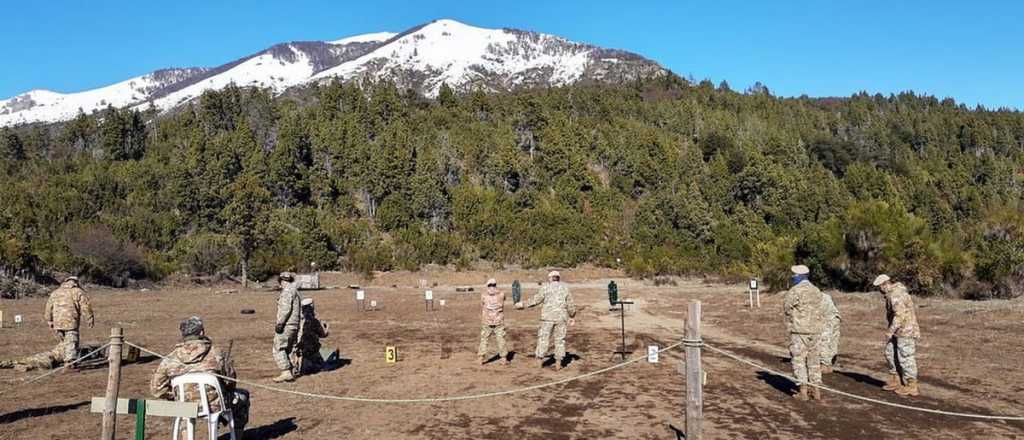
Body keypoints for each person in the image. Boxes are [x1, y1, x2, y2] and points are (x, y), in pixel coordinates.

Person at [150, 316, 249, 439]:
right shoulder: (217, 354)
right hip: (215, 405)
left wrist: (175, 395)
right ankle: (237, 437)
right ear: (201, 332)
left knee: (183, 409)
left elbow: (156, 389)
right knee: (243, 396)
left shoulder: (170, 359)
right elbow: (231, 381)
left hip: (184, 406)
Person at [516, 270, 576, 371]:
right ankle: (558, 363)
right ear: (558, 278)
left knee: (543, 339)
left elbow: (536, 300)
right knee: (560, 341)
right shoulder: (565, 289)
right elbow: (571, 305)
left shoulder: (545, 288)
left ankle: (539, 361)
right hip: (561, 319)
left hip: (547, 319)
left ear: (550, 278)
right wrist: (572, 316)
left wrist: (523, 305)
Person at [873, 274, 922, 397]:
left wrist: (890, 331)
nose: (879, 290)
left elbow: (899, 316)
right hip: (898, 331)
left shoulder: (896, 295)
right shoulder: (891, 294)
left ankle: (911, 385)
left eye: (880, 287)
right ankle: (896, 380)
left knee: (906, 357)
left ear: (885, 284)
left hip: (905, 331)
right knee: (890, 352)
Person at [783, 265, 826, 401]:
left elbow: (787, 308)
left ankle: (803, 391)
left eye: (794, 275)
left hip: (800, 331)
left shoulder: (795, 290)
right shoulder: (816, 290)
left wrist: (794, 320)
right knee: (814, 360)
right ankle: (816, 390)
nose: (792, 277)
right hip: (816, 331)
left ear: (799, 276)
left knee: (799, 360)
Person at [44, 276, 95, 367]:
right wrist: (89, 319)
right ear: (75, 282)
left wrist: (49, 320)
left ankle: (60, 359)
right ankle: (70, 364)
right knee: (71, 343)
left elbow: (48, 307)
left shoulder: (55, 292)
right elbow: (85, 307)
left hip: (57, 323)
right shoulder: (78, 292)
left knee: (64, 343)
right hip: (71, 322)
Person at [272, 272, 302, 383]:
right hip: (294, 324)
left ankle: (286, 372)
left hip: (287, 324)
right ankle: (291, 370)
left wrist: (280, 323)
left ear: (282, 281)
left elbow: (285, 310)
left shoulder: (287, 292)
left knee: (278, 348)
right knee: (289, 349)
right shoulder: (295, 292)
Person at [295, 298, 330, 375]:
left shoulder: (299, 321)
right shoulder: (314, 321)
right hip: (311, 349)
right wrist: (326, 327)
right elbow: (323, 335)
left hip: (300, 349)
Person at [478, 278, 509, 366]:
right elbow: (503, 300)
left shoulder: (484, 295)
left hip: (487, 321)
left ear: (488, 285)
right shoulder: (502, 294)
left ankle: (480, 358)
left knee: (484, 339)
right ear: (495, 285)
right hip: (499, 321)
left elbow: (482, 304)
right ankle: (503, 358)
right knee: (501, 339)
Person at [820, 291, 841, 373]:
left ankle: (825, 364)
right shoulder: (825, 295)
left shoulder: (813, 297)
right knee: (833, 341)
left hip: (827, 319)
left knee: (824, 341)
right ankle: (830, 363)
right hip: (836, 318)